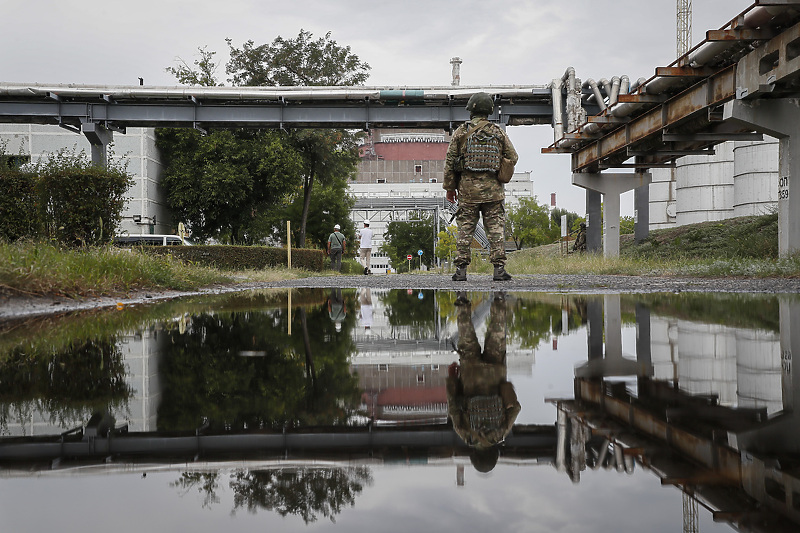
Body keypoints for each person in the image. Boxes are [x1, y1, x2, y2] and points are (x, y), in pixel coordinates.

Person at [444, 92, 519, 282]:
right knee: (495, 229)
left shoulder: (461, 132)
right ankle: (499, 270)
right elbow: (513, 156)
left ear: (471, 110)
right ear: (489, 111)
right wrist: (500, 172)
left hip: (468, 191)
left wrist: (450, 188)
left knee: (465, 229)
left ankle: (461, 270)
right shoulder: (497, 132)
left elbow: (450, 162)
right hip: (494, 191)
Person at [447, 291, 521, 473]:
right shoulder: (466, 436)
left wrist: (506, 390)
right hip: (470, 374)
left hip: (495, 372)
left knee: (497, 334)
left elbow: (516, 408)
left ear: (494, 454)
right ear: (474, 456)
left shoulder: (501, 433)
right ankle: (462, 300)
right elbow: (453, 406)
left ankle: (499, 298)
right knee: (466, 338)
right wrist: (452, 380)